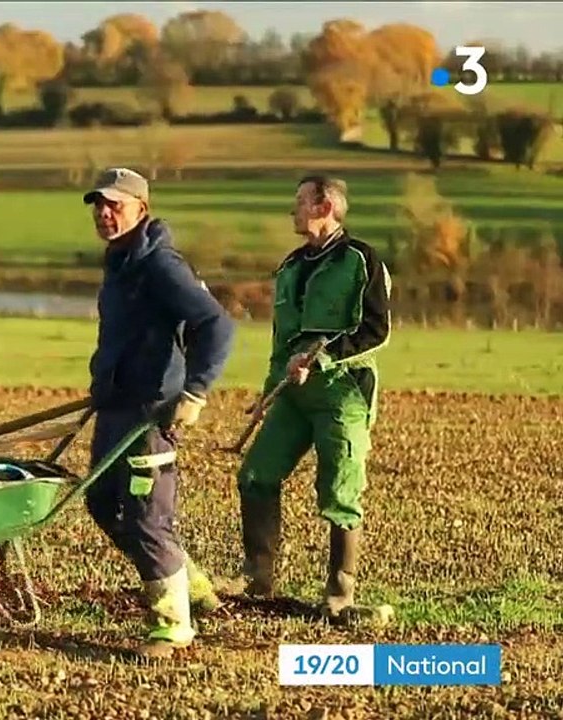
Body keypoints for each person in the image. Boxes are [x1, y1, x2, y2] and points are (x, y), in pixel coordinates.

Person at [221, 175, 391, 626]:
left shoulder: (361, 260)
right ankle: (257, 579)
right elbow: (282, 342)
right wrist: (265, 397)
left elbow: (376, 331)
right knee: (256, 475)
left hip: (343, 393)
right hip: (292, 395)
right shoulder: (291, 266)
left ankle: (339, 595)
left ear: (325, 206)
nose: (292, 211)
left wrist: (323, 358)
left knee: (339, 492)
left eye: (299, 202)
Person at [83, 167, 236, 659]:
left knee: (147, 518)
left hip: (151, 413)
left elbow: (215, 323)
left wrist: (194, 392)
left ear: (141, 209)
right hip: (116, 406)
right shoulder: (121, 263)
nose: (105, 214)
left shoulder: (159, 265)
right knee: (103, 504)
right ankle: (188, 584)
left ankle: (173, 625)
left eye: (115, 205)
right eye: (99, 206)